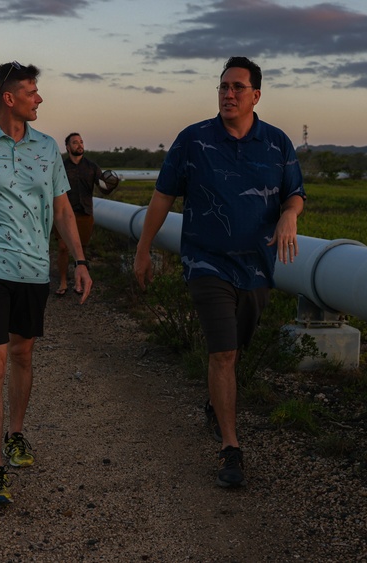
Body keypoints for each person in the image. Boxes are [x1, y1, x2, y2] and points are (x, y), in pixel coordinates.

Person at [133, 56, 306, 488]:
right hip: (205, 259)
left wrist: (290, 216)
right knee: (223, 351)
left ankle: (216, 403)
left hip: (257, 265)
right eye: (223, 87)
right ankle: (231, 449)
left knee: (236, 346)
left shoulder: (277, 143)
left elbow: (295, 194)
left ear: (256, 95)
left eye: (238, 88)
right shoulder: (193, 140)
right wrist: (143, 248)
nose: (229, 94)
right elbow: (162, 198)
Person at [0, 61, 92, 506]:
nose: (39, 98)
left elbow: (63, 211)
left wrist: (80, 260)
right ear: (10, 98)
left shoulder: (47, 149)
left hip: (32, 269)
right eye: (32, 91)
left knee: (23, 353)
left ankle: (17, 433)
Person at [52, 132, 119, 296]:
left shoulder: (92, 167)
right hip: (64, 212)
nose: (79, 145)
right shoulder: (60, 166)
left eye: (81, 142)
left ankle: (78, 282)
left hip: (85, 213)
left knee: (81, 250)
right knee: (62, 247)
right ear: (68, 147)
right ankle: (62, 281)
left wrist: (110, 184)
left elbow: (103, 188)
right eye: (75, 142)